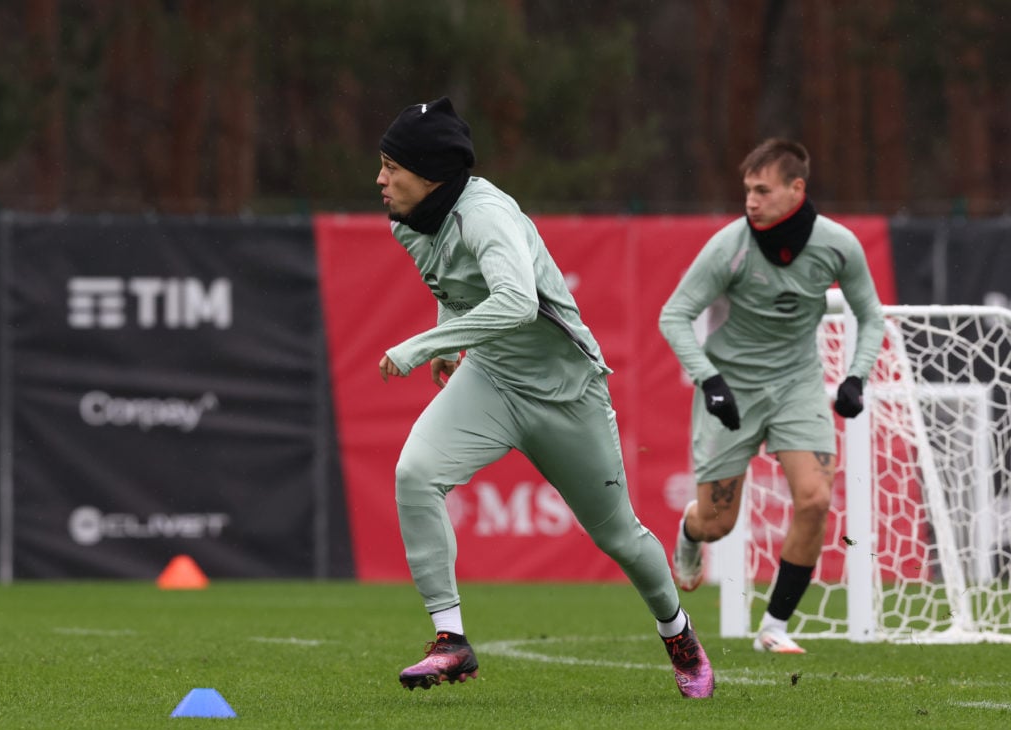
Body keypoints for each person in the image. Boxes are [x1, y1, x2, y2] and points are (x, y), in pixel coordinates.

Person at [377, 96, 713, 697]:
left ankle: (677, 631)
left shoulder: (486, 216)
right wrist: (454, 346)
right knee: (414, 473)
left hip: (566, 395)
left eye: (391, 167)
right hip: (492, 379)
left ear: (430, 175)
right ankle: (451, 640)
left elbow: (516, 302)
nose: (379, 179)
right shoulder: (407, 219)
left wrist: (423, 346)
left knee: (620, 539)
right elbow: (453, 285)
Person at [659, 138, 884, 654]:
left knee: (815, 499)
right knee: (719, 524)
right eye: (747, 190)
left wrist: (856, 377)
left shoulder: (838, 244)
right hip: (732, 387)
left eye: (762, 189)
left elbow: (870, 314)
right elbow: (674, 314)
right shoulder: (728, 246)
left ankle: (775, 628)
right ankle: (690, 531)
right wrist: (708, 379)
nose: (751, 200)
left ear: (796, 189)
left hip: (798, 385)